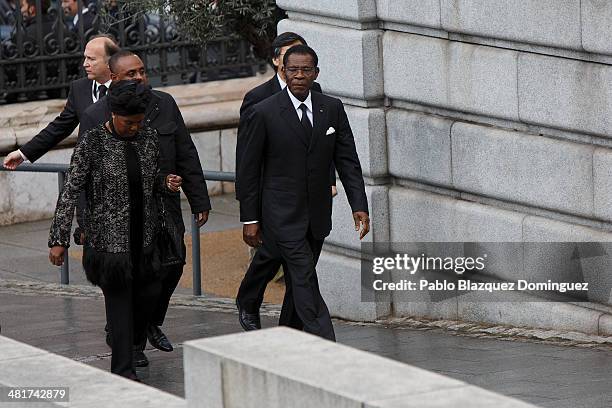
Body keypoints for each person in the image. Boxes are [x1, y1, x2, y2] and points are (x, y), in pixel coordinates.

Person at [79, 50, 211, 360]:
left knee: (173, 265)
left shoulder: (165, 104)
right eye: (131, 74)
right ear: (114, 79)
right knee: (132, 276)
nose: (139, 77)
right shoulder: (95, 116)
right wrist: (85, 224)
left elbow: (185, 152)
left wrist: (199, 198)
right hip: (119, 216)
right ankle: (132, 343)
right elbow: (81, 178)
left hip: (164, 206)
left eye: (141, 71)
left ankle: (150, 321)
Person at [48, 80, 181, 380]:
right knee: (119, 309)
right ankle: (123, 372)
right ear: (113, 115)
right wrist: (59, 239)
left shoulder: (148, 138)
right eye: (128, 122)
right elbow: (70, 191)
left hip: (145, 239)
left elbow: (148, 180)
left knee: (151, 292)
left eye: (138, 121)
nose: (134, 127)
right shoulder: (93, 142)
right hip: (109, 245)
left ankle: (132, 344)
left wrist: (164, 183)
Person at [238, 45, 370, 341]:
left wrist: (358, 204)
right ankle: (325, 342)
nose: (299, 75)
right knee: (304, 275)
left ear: (316, 73)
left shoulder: (331, 107)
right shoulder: (264, 112)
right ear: (282, 72)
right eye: (293, 70)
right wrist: (250, 217)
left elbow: (347, 160)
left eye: (306, 70)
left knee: (281, 264)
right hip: (280, 211)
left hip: (317, 212)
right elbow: (248, 170)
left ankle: (282, 330)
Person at [234, 32, 336, 331]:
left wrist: (328, 179)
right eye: (292, 59)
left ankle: (290, 329)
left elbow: (322, 145)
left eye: (305, 62)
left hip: (308, 200)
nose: (298, 68)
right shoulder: (258, 99)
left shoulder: (316, 94)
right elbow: (247, 159)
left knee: (294, 268)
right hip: (272, 199)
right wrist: (249, 212)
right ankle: (249, 299)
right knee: (273, 257)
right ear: (278, 60)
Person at [2, 34, 118, 170]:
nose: (85, 64)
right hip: (87, 174)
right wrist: (23, 153)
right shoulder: (79, 88)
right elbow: (60, 127)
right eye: (85, 57)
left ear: (109, 62)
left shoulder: (127, 88)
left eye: (91, 59)